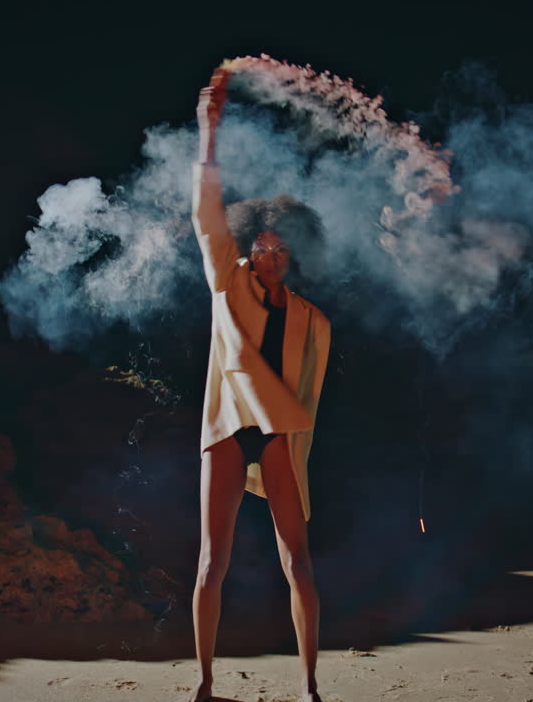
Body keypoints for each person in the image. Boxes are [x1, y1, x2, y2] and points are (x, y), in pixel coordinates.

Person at [187, 67, 332, 702]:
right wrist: (207, 131)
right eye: (261, 246)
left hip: (276, 436)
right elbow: (204, 211)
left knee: (297, 563)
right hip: (226, 430)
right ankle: (205, 683)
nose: (268, 256)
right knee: (210, 564)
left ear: (294, 255)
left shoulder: (312, 320)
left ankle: (308, 687)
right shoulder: (226, 280)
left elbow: (309, 398)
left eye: (280, 250)